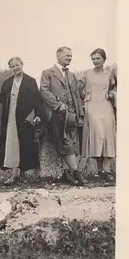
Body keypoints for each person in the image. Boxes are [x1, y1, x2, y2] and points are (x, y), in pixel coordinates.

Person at [40, 46, 86, 185]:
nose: (70, 58)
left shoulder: (72, 75)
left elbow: (77, 96)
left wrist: (80, 114)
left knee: (71, 142)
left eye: (71, 56)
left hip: (72, 114)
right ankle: (76, 172)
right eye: (67, 56)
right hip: (56, 114)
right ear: (58, 56)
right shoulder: (47, 73)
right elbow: (44, 91)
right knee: (65, 141)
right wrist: (58, 105)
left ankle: (68, 173)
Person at [0, 56, 43, 185]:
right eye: (12, 66)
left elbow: (37, 100)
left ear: (22, 65)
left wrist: (37, 114)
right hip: (10, 118)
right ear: (10, 68)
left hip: (25, 119)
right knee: (10, 145)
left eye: (17, 65)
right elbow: (1, 99)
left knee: (24, 145)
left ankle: (22, 175)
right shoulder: (7, 83)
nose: (15, 68)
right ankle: (13, 175)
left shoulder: (30, 81)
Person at [78, 48, 116, 181]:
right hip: (92, 107)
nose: (95, 61)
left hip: (106, 106)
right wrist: (85, 98)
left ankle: (107, 170)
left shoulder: (109, 74)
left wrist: (112, 94)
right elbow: (79, 90)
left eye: (98, 58)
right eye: (93, 58)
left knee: (107, 137)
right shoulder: (86, 73)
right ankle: (99, 170)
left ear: (104, 59)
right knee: (96, 137)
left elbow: (115, 88)